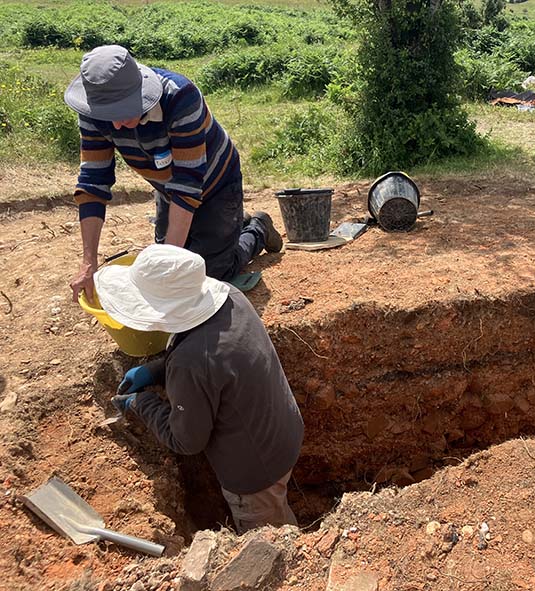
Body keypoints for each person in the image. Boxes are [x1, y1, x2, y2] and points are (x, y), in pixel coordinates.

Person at [98, 244, 303, 532]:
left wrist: (141, 403)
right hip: (283, 432)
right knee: (277, 504)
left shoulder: (191, 363)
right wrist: (158, 370)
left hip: (255, 474)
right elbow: (217, 357)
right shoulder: (232, 297)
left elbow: (186, 441)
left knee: (272, 537)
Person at [64, 44, 282, 303]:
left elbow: (187, 184)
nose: (116, 125)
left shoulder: (180, 97)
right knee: (169, 263)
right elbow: (93, 183)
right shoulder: (93, 110)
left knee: (207, 273)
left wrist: (169, 264)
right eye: (108, 116)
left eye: (123, 111)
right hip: (167, 187)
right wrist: (88, 263)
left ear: (140, 92)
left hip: (216, 181)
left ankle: (256, 228)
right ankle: (231, 225)